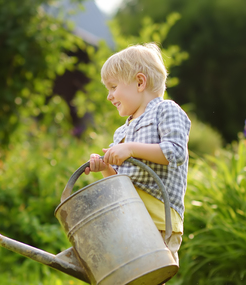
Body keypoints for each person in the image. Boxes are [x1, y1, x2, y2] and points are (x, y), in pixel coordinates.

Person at [84, 43, 191, 266]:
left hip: (159, 217)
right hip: (131, 217)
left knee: (153, 274)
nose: (109, 96)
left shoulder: (166, 110)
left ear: (140, 82)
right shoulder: (122, 131)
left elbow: (176, 151)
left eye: (113, 87)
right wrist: (105, 167)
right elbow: (119, 184)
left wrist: (130, 149)